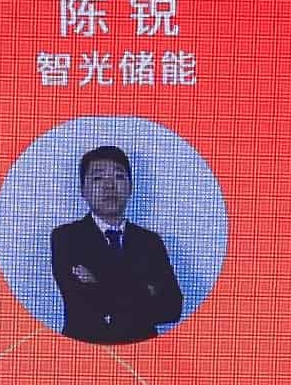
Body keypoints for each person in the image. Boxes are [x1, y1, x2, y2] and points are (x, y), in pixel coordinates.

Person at [49, 146, 187, 346]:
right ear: (82, 190)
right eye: (98, 178)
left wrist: (98, 282)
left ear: (131, 187)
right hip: (84, 349)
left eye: (119, 177)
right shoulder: (66, 237)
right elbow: (83, 303)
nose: (109, 186)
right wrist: (145, 290)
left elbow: (171, 309)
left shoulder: (150, 241)